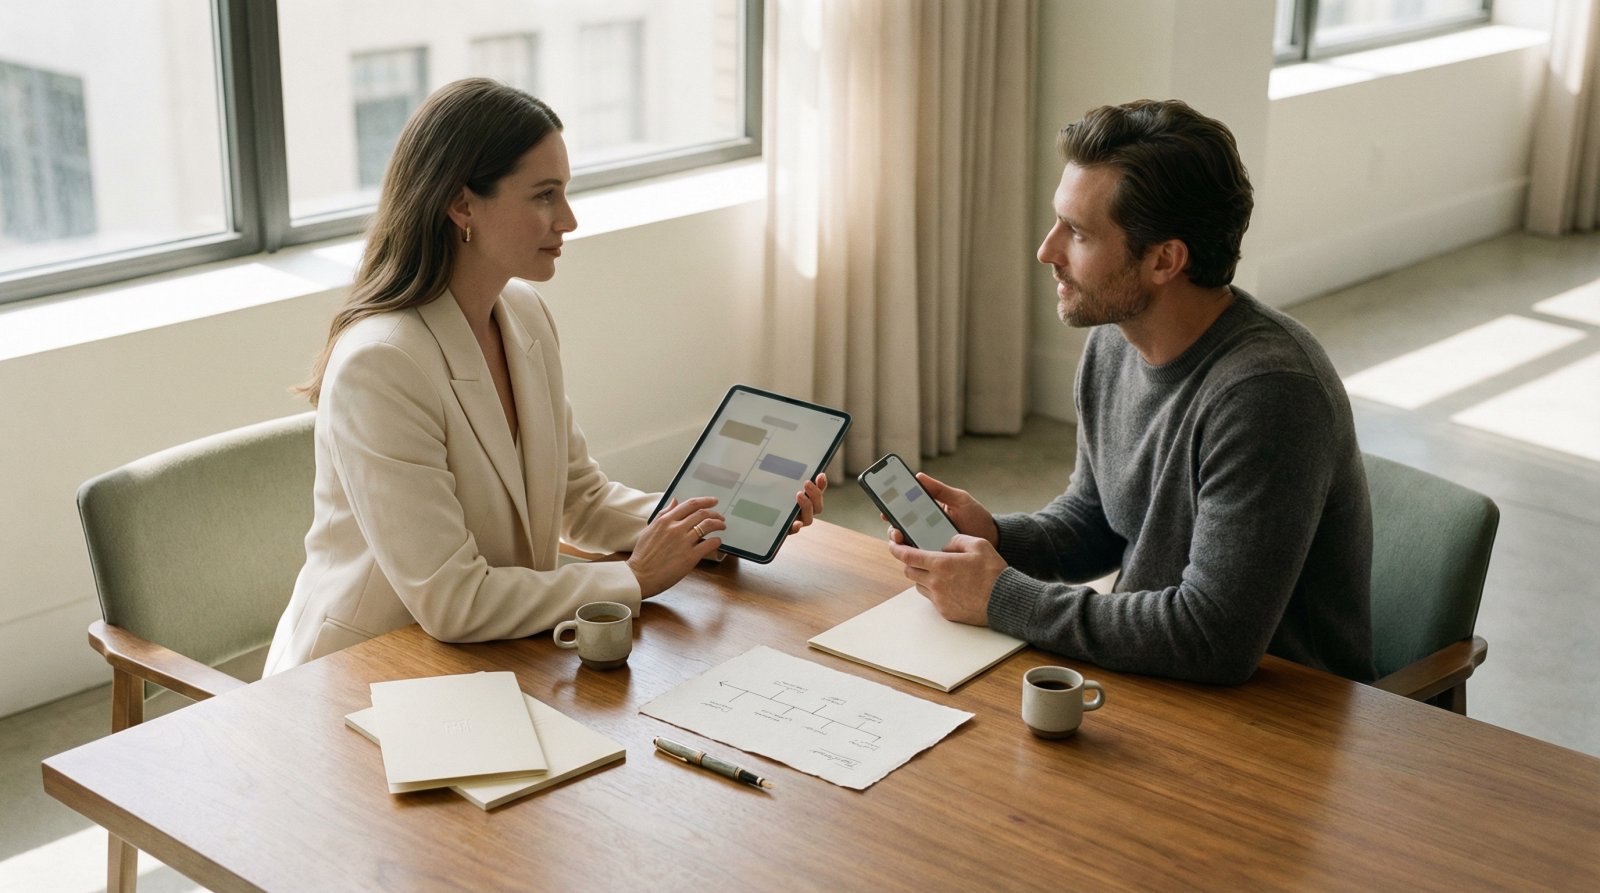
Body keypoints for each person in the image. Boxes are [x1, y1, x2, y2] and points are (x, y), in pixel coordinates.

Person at [264, 79, 825, 674]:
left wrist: (723, 523)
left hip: (492, 651)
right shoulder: (382, 363)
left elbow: (581, 499)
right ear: (462, 206)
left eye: (565, 192)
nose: (569, 219)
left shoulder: (523, 314)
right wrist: (636, 577)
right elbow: (452, 601)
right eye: (544, 195)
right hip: (365, 670)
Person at [888, 99, 1374, 685]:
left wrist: (1001, 597)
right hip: (1153, 674)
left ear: (1165, 260)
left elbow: (1212, 637)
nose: (1047, 251)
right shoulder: (1115, 340)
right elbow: (1096, 518)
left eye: (1078, 233)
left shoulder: (1268, 395)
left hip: (1275, 709)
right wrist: (996, 536)